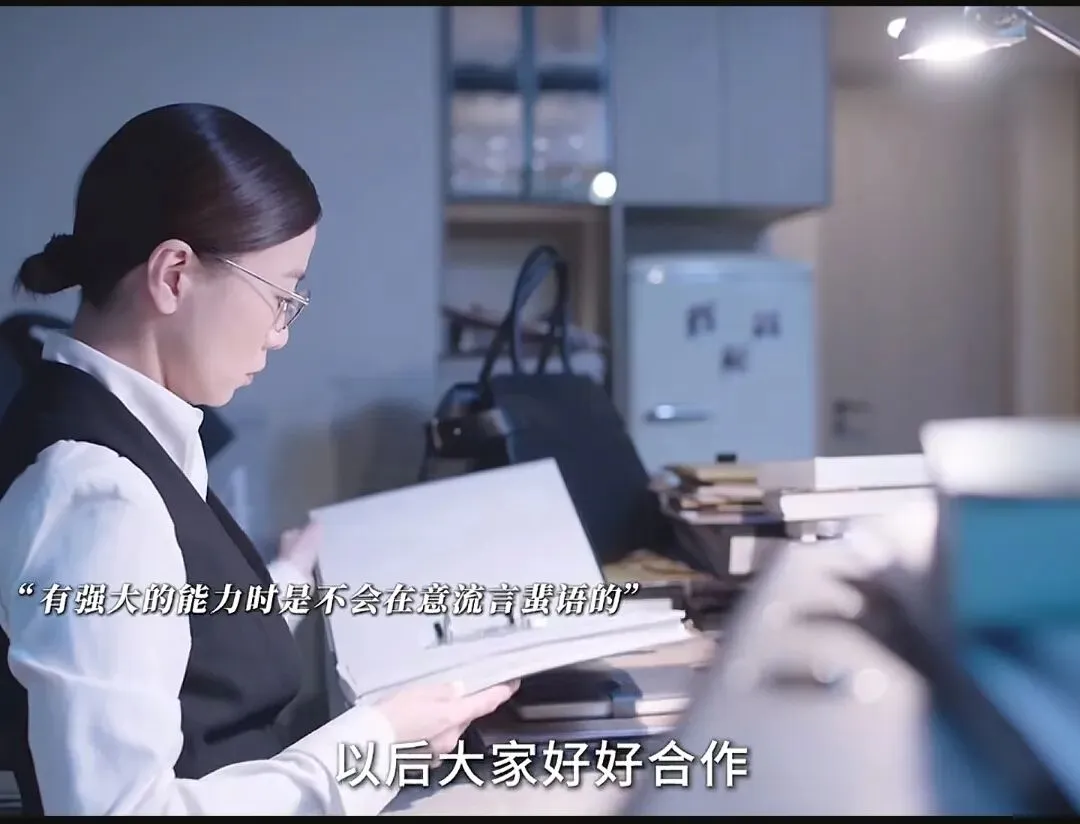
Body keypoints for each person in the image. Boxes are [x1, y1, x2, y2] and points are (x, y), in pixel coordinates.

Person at [0, 103, 517, 816]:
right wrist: (376, 746)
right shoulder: (98, 492)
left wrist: (290, 577)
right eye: (281, 295)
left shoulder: (111, 430)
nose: (279, 334)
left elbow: (174, 643)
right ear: (174, 274)